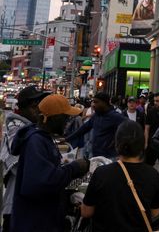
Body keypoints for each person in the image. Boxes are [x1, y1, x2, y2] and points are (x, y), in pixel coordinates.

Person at [10, 94, 90, 232]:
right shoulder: (36, 142)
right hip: (34, 223)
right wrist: (74, 168)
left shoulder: (43, 139)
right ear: (53, 118)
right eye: (65, 117)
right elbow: (42, 182)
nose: (68, 121)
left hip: (41, 219)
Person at [80, 121, 159, 232]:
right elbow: (155, 212)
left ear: (116, 144)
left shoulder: (101, 173)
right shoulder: (153, 174)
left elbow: (86, 212)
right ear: (143, 144)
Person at [0, 86, 49, 232]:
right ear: (22, 109)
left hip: (26, 205)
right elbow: (22, 165)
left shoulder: (30, 128)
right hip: (16, 205)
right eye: (35, 107)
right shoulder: (16, 130)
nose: (39, 110)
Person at [67, 92, 127, 159]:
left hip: (110, 157)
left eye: (96, 102)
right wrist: (67, 139)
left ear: (104, 103)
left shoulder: (116, 117)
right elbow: (83, 128)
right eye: (93, 102)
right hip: (95, 155)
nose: (93, 105)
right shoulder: (96, 116)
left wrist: (118, 145)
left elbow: (131, 129)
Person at [144, 91, 159, 166]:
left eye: (157, 101)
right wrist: (146, 143)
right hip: (152, 144)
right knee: (148, 166)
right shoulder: (151, 112)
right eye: (154, 101)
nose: (155, 102)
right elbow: (147, 128)